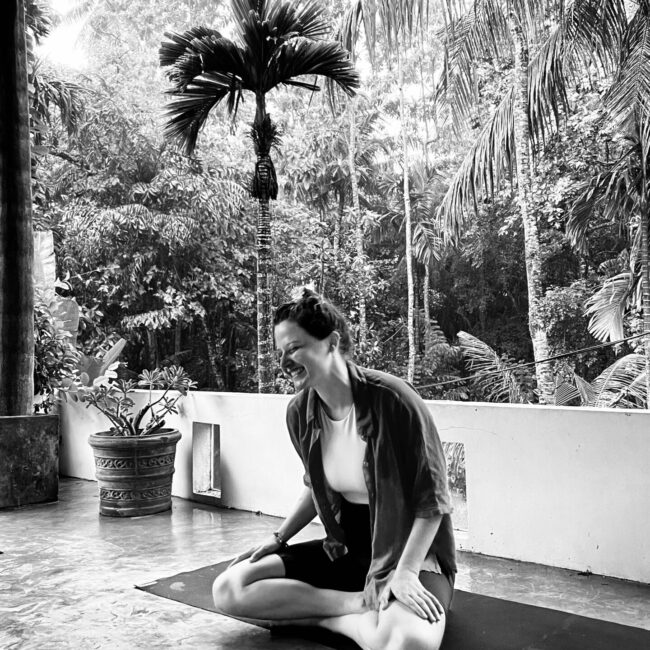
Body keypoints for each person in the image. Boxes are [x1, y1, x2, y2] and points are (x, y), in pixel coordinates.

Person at [212, 288, 456, 650]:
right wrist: (278, 538)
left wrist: (405, 572)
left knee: (410, 645)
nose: (284, 362)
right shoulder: (299, 412)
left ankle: (323, 619)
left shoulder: (394, 399)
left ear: (332, 342)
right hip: (348, 548)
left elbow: (432, 500)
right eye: (280, 353)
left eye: (294, 348)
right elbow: (316, 487)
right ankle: (352, 612)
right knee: (230, 588)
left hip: (408, 548)